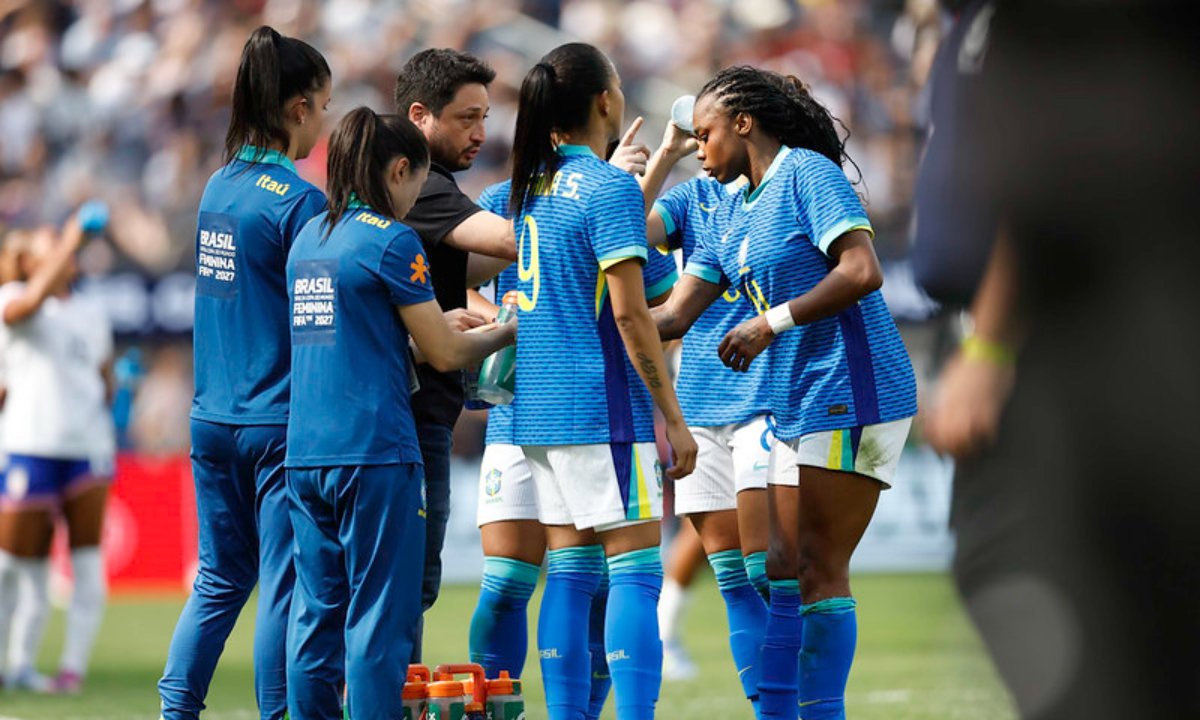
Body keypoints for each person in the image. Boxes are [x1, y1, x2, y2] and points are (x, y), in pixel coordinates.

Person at [652, 67, 917, 719]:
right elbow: (675, 316)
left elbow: (862, 269)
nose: (699, 149)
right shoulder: (735, 206)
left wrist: (771, 321)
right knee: (775, 564)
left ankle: (817, 712)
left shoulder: (806, 173)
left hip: (854, 387)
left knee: (811, 566)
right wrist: (550, 326)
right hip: (798, 399)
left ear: (744, 124)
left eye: (706, 134)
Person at [284, 106, 516, 720]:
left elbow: (353, 336)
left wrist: (430, 331)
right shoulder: (394, 240)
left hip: (306, 452)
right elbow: (444, 353)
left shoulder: (309, 237)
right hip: (376, 452)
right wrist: (502, 331)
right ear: (399, 169)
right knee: (381, 617)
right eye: (419, 180)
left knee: (316, 614)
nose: (421, 194)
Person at [507, 42, 697, 720]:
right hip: (600, 409)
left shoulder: (530, 185)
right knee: (636, 575)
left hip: (537, 413)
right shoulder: (610, 187)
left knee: (569, 575)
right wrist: (671, 415)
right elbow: (630, 313)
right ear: (605, 102)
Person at [158, 26, 330, 720]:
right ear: (296, 109)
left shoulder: (218, 187)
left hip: (210, 417)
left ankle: (176, 710)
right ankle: (277, 713)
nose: (325, 122)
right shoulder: (300, 201)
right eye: (322, 106)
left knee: (219, 579)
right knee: (282, 585)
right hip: (276, 419)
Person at [467, 169, 678, 720]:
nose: (479, 130)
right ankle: (498, 710)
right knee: (511, 582)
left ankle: (577, 712)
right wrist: (504, 321)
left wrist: (648, 178)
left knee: (586, 576)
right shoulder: (499, 198)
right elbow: (449, 275)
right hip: (534, 415)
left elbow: (658, 305)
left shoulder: (612, 191)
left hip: (564, 410)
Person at [391, 49, 522, 660]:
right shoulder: (418, 187)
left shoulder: (424, 190)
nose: (480, 132)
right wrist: (591, 191)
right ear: (421, 116)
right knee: (400, 588)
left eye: (485, 117)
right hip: (409, 423)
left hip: (418, 417)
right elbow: (511, 240)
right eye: (467, 117)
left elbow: (482, 259)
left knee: (402, 587)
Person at [643, 116, 774, 711]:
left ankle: (796, 695)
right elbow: (630, 230)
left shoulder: (788, 188)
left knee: (769, 565)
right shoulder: (692, 196)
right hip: (697, 394)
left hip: (767, 394)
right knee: (732, 572)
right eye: (694, 136)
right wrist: (662, 161)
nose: (701, 146)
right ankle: (673, 635)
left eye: (705, 134)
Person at [0, 208, 115, 693]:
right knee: (16, 566)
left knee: (87, 564)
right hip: (30, 444)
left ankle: (68, 669)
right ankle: (14, 664)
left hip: (88, 448)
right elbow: (21, 311)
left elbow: (104, 377)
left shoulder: (92, 310)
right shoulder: (14, 298)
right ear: (27, 262)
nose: (61, 245)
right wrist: (71, 238)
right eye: (48, 241)